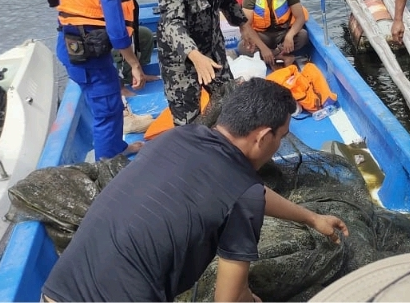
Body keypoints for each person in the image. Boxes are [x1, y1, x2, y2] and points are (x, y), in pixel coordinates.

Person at [41, 78, 350, 302]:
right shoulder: (243, 194)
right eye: (281, 137)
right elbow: (227, 300)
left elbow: (251, 193)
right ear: (262, 137)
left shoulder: (180, 136)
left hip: (55, 292)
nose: (279, 144)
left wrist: (312, 218)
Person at [42, 0, 145, 160]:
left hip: (68, 44)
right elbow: (117, 29)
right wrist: (134, 63)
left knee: (105, 100)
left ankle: (117, 147)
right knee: (107, 108)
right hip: (89, 55)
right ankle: (107, 163)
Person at [157, 0, 254, 126]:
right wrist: (195, 56)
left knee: (230, 101)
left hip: (212, 48)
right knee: (188, 121)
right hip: (180, 59)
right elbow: (172, 24)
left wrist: (243, 26)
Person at [238, 0, 310, 67]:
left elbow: (300, 17)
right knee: (243, 47)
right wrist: (263, 48)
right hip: (262, 35)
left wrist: (289, 36)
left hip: (282, 32)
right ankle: (278, 55)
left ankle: (274, 55)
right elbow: (246, 25)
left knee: (303, 36)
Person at [113, 25, 160, 97]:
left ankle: (138, 74)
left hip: (115, 27)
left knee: (144, 34)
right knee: (121, 40)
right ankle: (120, 87)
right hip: (97, 35)